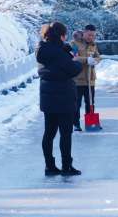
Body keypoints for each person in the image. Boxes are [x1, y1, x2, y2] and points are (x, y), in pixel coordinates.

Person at [36, 22, 83, 176]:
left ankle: (49, 165)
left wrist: (66, 50)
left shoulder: (42, 50)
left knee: (49, 133)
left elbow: (55, 65)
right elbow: (72, 69)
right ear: (61, 35)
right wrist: (76, 61)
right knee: (65, 133)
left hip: (48, 97)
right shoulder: (60, 54)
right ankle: (66, 166)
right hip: (64, 97)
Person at [72, 24, 101, 131]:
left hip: (90, 79)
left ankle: (91, 122)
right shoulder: (74, 44)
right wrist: (86, 60)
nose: (91, 37)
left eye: (93, 36)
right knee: (76, 104)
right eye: (89, 35)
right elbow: (73, 58)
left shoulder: (93, 45)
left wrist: (95, 61)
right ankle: (75, 123)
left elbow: (98, 56)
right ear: (84, 33)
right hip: (78, 79)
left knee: (90, 102)